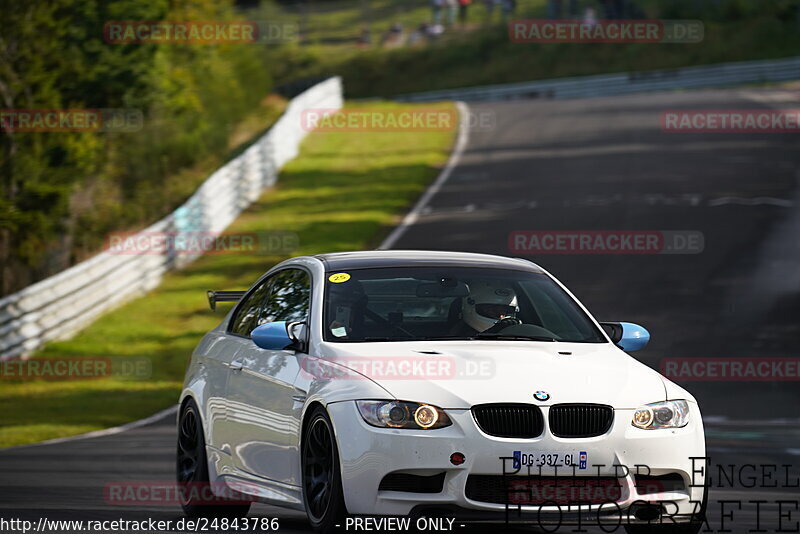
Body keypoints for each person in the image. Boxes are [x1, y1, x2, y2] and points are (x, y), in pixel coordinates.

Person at [449, 282, 521, 336]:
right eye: (493, 310)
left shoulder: (518, 335)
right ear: (470, 307)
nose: (501, 316)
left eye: (506, 311)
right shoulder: (457, 337)